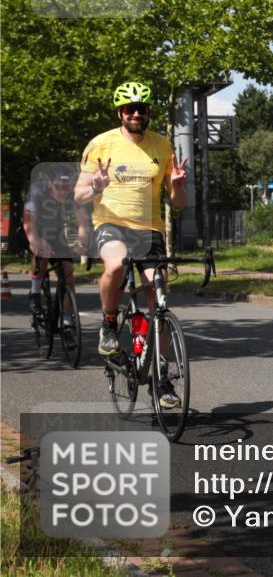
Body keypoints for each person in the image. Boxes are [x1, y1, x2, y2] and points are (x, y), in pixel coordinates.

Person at [75, 81, 189, 407]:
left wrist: (178, 185)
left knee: (160, 300)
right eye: (130, 108)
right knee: (115, 264)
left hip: (150, 229)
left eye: (142, 108)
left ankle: (162, 379)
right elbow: (79, 194)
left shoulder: (163, 146)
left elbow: (178, 203)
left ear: (148, 111)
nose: (137, 113)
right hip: (111, 224)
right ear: (120, 113)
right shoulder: (101, 145)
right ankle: (109, 323)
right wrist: (95, 184)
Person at [25, 168, 90, 320]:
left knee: (68, 276)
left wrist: (82, 244)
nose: (63, 191)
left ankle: (67, 319)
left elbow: (83, 223)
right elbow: (29, 223)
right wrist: (36, 243)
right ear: (49, 184)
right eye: (58, 187)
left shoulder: (73, 194)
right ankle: (34, 292)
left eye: (66, 187)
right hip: (35, 229)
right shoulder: (37, 191)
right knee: (43, 252)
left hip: (56, 232)